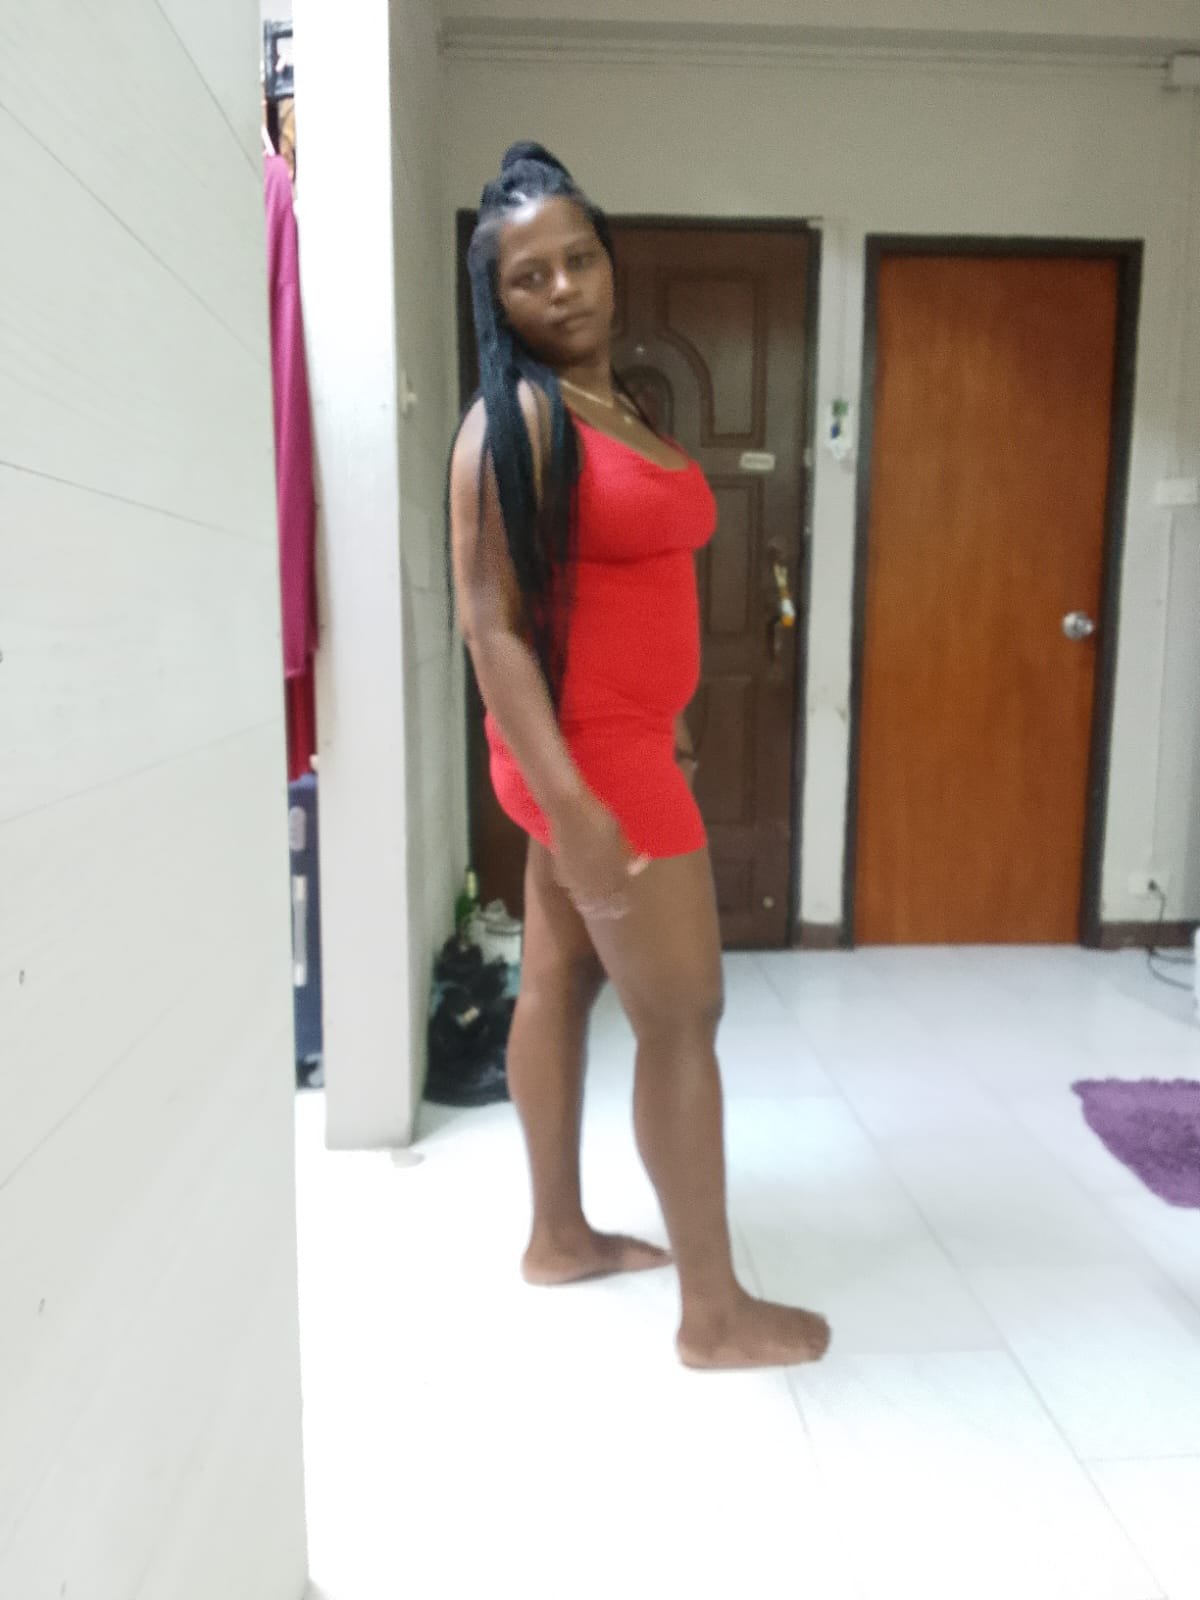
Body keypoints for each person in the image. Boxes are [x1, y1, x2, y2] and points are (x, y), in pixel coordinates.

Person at [448, 142, 830, 1370]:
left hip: (615, 740)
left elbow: (621, 581)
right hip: (586, 763)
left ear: (612, 263)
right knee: (684, 1013)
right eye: (529, 276)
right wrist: (577, 807)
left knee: (560, 979)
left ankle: (558, 1236)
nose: (562, 287)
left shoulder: (623, 404)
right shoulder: (511, 423)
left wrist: (668, 710)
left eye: (580, 258)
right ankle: (714, 1314)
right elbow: (490, 628)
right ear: (497, 298)